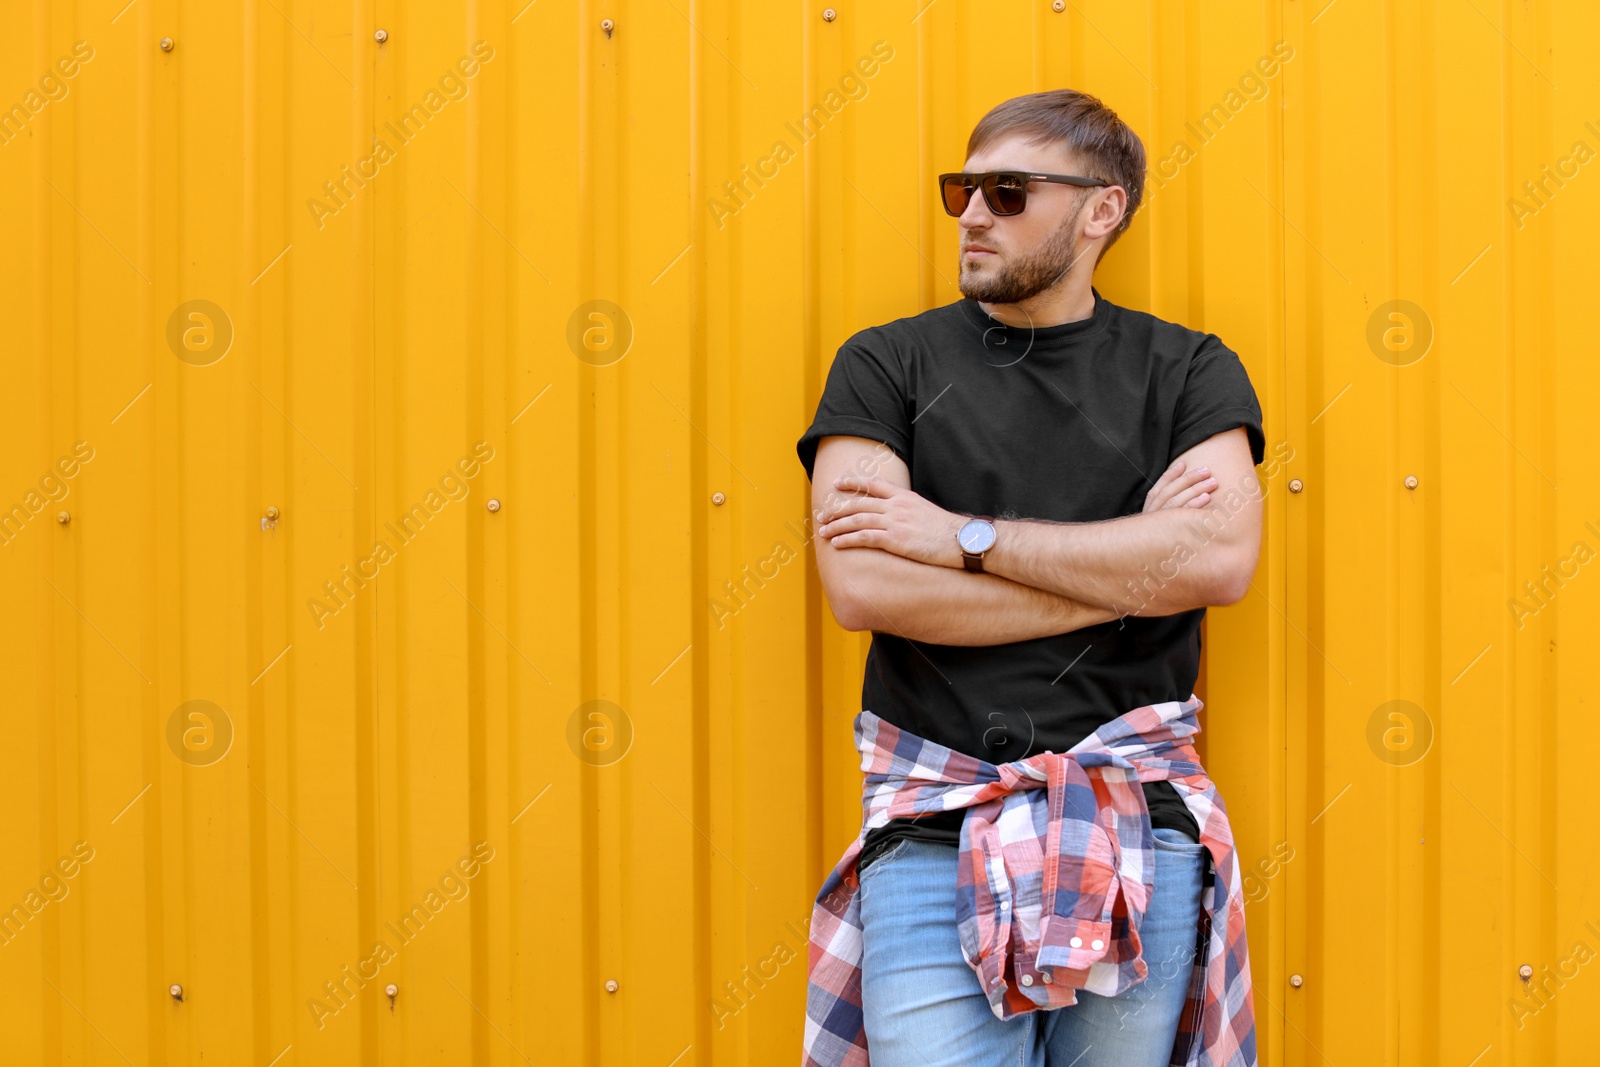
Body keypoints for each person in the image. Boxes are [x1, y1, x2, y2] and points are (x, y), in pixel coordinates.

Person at [795, 88, 1265, 1067]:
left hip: (1135, 821)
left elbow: (1218, 559)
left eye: (1006, 191)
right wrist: (1136, 564)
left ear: (1101, 210)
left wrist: (958, 535)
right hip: (933, 826)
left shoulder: (1187, 370)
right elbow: (864, 587)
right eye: (961, 188)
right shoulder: (886, 366)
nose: (971, 212)